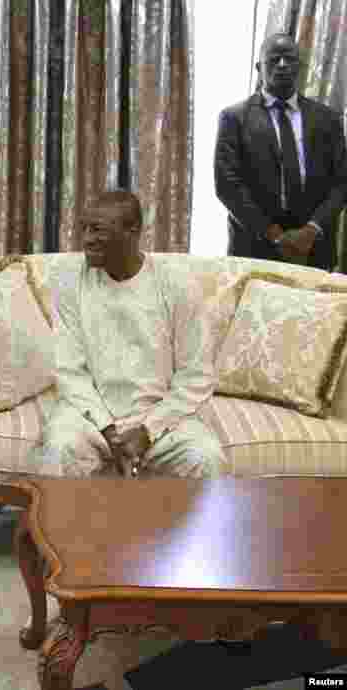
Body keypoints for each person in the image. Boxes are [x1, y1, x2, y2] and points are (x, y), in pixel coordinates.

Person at [33, 189, 225, 477]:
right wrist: (109, 432)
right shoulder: (69, 281)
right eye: (84, 228)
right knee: (59, 449)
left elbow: (196, 375)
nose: (86, 239)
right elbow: (69, 371)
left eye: (97, 229)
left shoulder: (177, 284)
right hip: (91, 417)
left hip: (160, 414)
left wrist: (147, 431)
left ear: (132, 231)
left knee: (204, 456)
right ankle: (55, 524)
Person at [215, 31, 347, 270]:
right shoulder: (234, 118)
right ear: (259, 67)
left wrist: (311, 231)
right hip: (254, 250)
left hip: (315, 250)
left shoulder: (328, 119)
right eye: (274, 59)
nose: (282, 65)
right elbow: (227, 185)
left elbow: (342, 182)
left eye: (289, 59)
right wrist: (274, 234)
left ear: (300, 65)